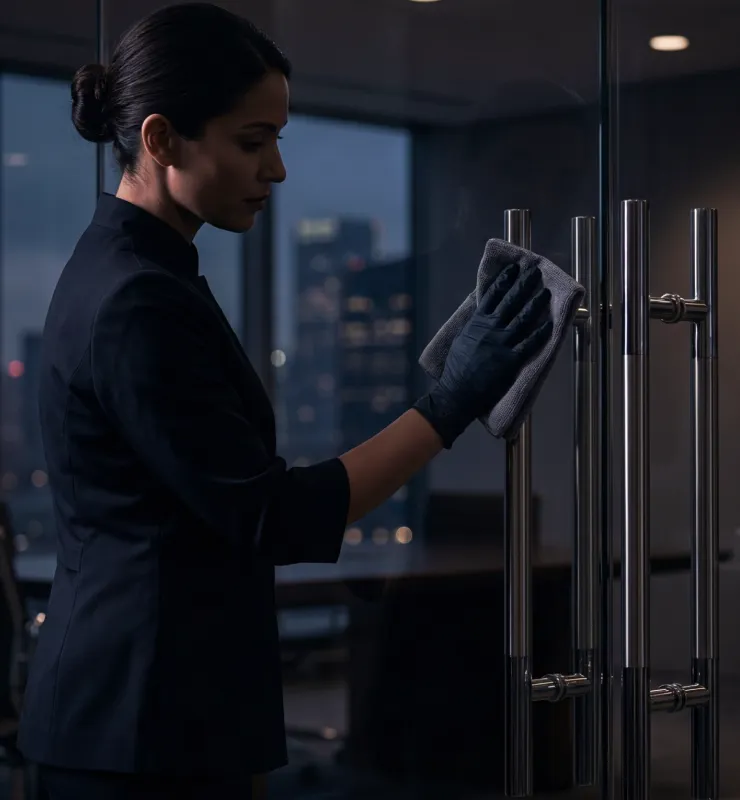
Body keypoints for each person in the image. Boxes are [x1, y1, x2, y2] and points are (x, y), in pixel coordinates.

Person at [16, 3, 552, 798]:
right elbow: (276, 516)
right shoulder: (137, 299)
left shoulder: (135, 272)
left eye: (278, 140)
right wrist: (451, 401)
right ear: (161, 140)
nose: (277, 170)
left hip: (143, 713)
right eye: (251, 142)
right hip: (139, 728)